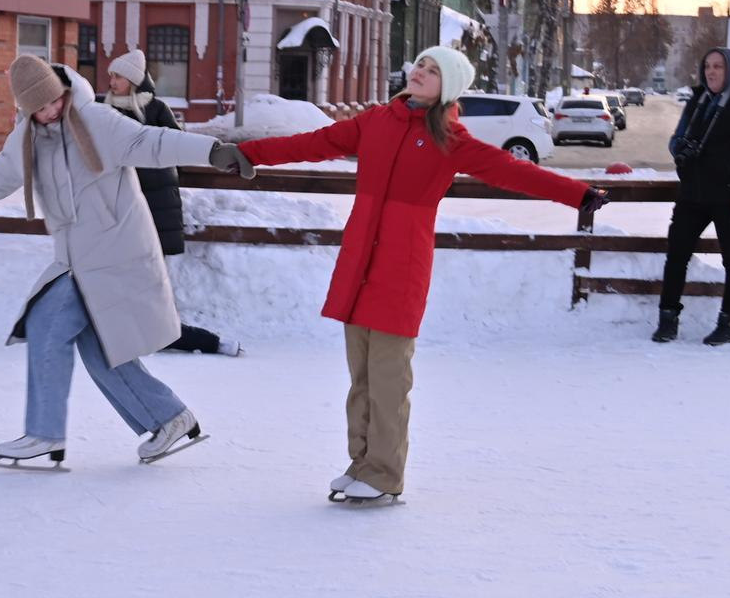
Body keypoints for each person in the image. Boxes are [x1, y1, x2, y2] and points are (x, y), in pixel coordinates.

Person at [231, 47, 605, 505]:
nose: (422, 73)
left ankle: (385, 475)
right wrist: (243, 153)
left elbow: (513, 172)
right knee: (362, 376)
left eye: (434, 70)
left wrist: (579, 194)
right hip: (360, 260)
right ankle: (362, 463)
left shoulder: (451, 138)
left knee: (390, 378)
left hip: (401, 264)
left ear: (447, 87)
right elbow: (309, 144)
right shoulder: (375, 121)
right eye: (420, 66)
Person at [0, 54, 253, 469]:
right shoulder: (26, 139)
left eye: (52, 101)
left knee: (47, 323)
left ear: (62, 91)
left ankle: (44, 433)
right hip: (75, 258)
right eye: (38, 107)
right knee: (102, 347)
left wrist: (212, 151)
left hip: (115, 252)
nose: (49, 112)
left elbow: (150, 142)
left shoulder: (96, 120)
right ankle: (169, 417)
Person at [95, 48, 241, 356]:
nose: (111, 81)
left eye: (117, 76)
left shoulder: (157, 110)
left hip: (152, 206)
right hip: (114, 206)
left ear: (133, 80)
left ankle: (172, 334)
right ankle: (124, 329)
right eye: (110, 75)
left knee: (148, 276)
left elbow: (177, 147)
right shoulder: (100, 108)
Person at [656, 47, 730, 346]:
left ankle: (729, 322)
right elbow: (675, 140)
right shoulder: (698, 100)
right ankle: (667, 318)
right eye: (707, 66)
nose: (711, 72)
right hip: (692, 193)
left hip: (729, 198)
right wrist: (681, 148)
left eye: (718, 66)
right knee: (676, 255)